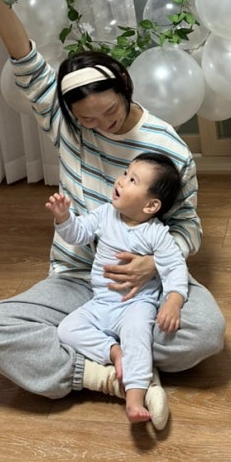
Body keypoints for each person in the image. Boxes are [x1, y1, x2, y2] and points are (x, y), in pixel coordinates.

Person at [0, 0, 225, 409]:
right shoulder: (65, 124)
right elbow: (24, 59)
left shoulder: (168, 149)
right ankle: (106, 375)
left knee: (206, 333)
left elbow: (188, 226)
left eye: (109, 110)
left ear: (123, 84)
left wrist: (152, 265)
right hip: (77, 279)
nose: (102, 124)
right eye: (88, 119)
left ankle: (110, 352)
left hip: (146, 286)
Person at [47, 152, 188, 426]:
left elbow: (175, 268)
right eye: (125, 173)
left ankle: (134, 399)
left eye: (133, 180)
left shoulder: (156, 233)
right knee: (67, 329)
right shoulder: (105, 214)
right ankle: (113, 352)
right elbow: (79, 233)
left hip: (137, 304)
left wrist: (173, 302)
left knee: (137, 336)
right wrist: (64, 218)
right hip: (101, 302)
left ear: (151, 205)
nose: (121, 181)